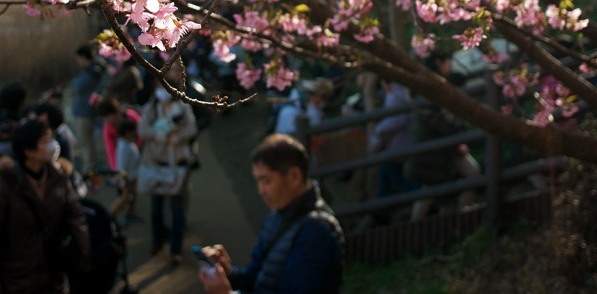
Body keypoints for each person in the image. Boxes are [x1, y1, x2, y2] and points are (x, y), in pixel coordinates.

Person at [199, 134, 344, 294]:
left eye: (266, 181)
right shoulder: (276, 216)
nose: (261, 191)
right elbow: (257, 278)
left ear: (294, 176)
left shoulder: (317, 230)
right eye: (258, 181)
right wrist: (229, 273)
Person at [0, 118, 91, 294]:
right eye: (44, 141)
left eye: (50, 139)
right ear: (28, 150)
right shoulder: (5, 188)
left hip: (55, 279)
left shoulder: (59, 179)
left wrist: (81, 256)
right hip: (18, 282)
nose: (52, 146)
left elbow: (76, 216)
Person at [139, 77, 197, 263]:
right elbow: (142, 131)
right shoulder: (151, 108)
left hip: (177, 164)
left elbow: (191, 129)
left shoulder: (183, 107)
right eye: (158, 87)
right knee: (156, 207)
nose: (162, 91)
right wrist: (160, 134)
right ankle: (157, 239)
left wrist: (175, 135)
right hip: (156, 162)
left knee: (177, 210)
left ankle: (175, 249)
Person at [369, 80, 419, 224]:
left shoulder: (394, 95)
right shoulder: (403, 90)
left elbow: (396, 120)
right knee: (387, 175)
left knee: (398, 177)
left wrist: (379, 130)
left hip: (396, 145)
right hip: (401, 142)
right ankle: (382, 209)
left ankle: (425, 201)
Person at [72, 45, 107, 171]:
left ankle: (89, 170)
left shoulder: (93, 71)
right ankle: (91, 167)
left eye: (79, 59)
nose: (78, 62)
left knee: (86, 143)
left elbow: (78, 86)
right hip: (85, 110)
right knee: (88, 143)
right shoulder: (96, 69)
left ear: (83, 57)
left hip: (85, 112)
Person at [96, 96, 142, 172]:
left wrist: (137, 146)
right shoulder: (108, 129)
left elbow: (142, 133)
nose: (105, 121)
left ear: (112, 113)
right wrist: (116, 171)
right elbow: (110, 150)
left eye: (106, 117)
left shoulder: (130, 116)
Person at [110, 117, 141, 224]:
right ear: (128, 133)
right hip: (127, 179)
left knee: (131, 198)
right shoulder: (124, 147)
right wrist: (123, 181)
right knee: (123, 200)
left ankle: (131, 215)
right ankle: (110, 216)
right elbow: (122, 167)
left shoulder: (126, 144)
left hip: (132, 177)